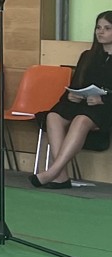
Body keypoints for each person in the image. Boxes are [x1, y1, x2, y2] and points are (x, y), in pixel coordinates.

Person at [33, 12, 112, 188]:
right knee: (53, 116)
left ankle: (53, 172)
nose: (100, 32)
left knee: (81, 120)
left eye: (107, 28)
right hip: (83, 102)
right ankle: (61, 176)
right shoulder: (88, 55)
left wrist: (103, 101)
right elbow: (77, 83)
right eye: (98, 28)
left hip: (105, 107)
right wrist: (71, 95)